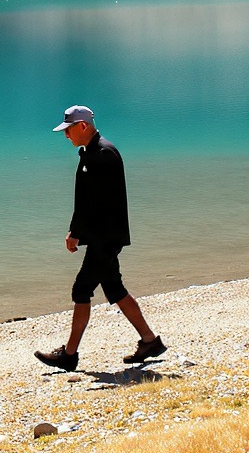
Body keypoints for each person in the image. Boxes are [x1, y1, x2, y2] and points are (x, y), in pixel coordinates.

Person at [35, 105, 165, 371]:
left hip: (104, 237)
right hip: (103, 236)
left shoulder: (103, 154)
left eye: (68, 130)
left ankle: (69, 355)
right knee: (114, 289)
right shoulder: (92, 152)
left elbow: (98, 203)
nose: (66, 136)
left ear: (82, 126)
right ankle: (150, 341)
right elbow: (85, 200)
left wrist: (78, 234)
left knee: (81, 290)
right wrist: (77, 231)